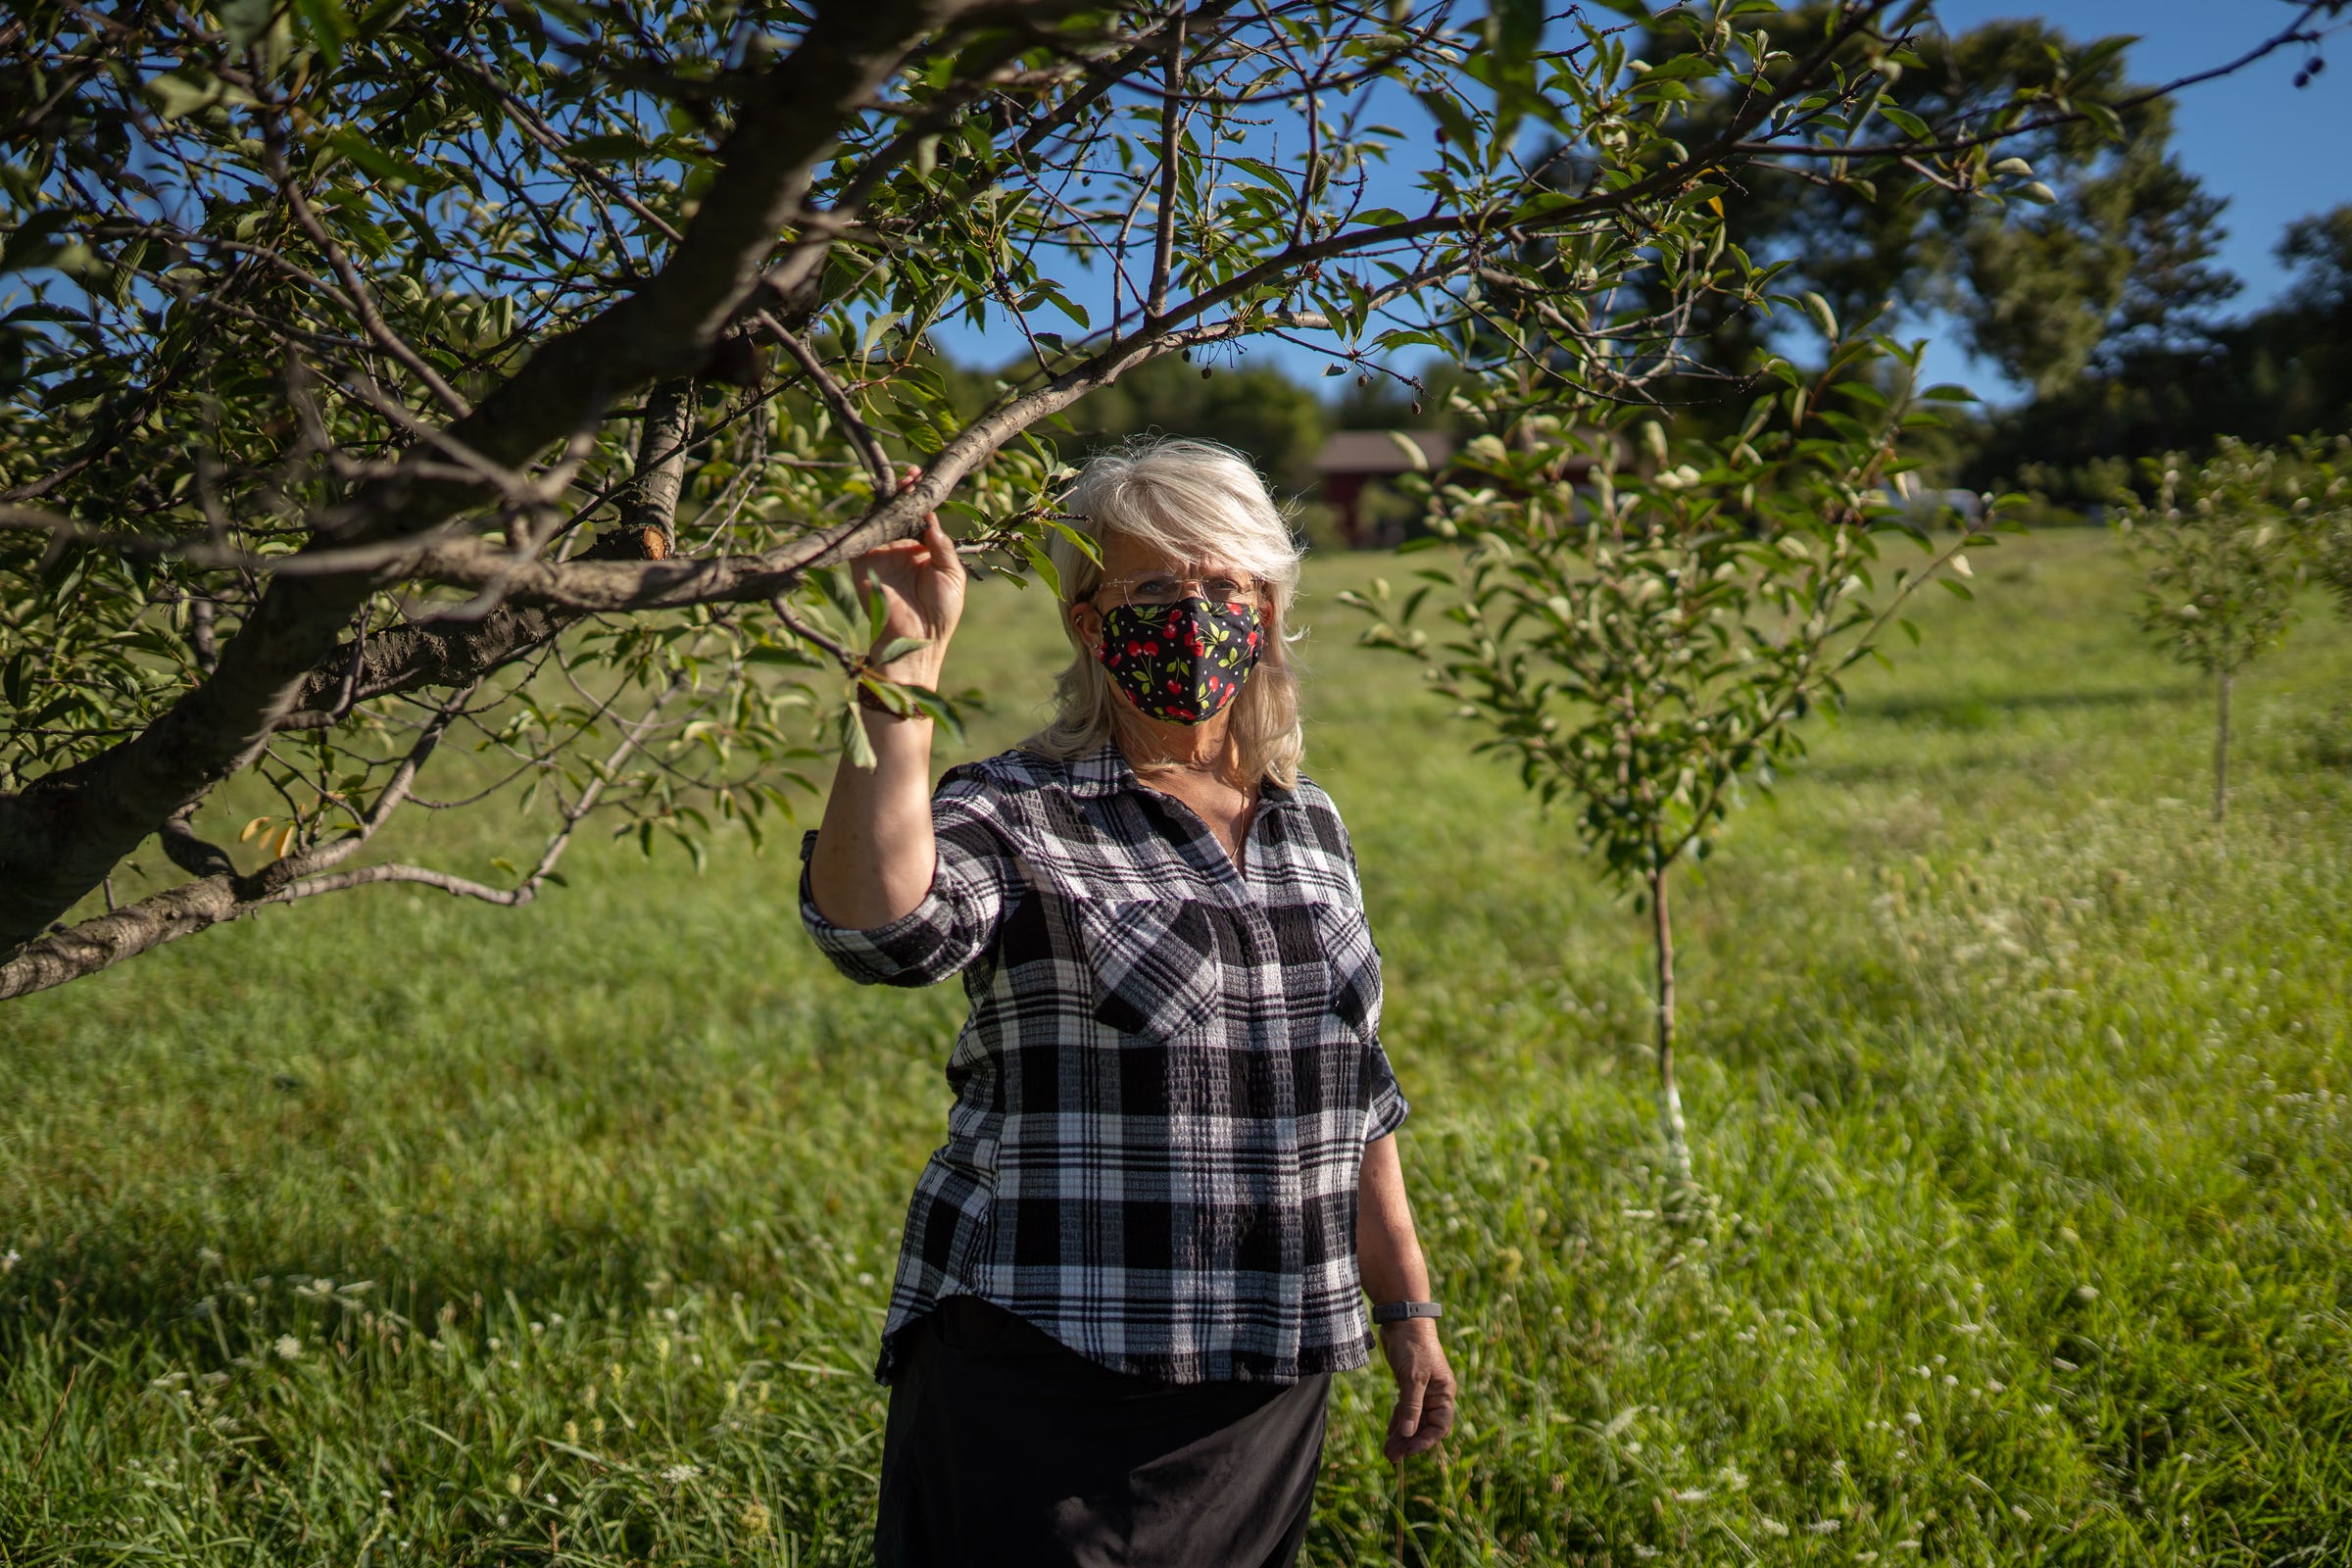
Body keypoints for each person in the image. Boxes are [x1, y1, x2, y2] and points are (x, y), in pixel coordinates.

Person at [801, 438, 1456, 1566]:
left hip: (1265, 1380)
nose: (1195, 615)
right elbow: (884, 928)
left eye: (1225, 586)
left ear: (1268, 605)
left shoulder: (1310, 823)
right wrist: (901, 660)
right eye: (1154, 588)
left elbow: (1356, 1088)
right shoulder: (1017, 809)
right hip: (1048, 1376)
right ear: (1087, 620)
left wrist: (1410, 1312)